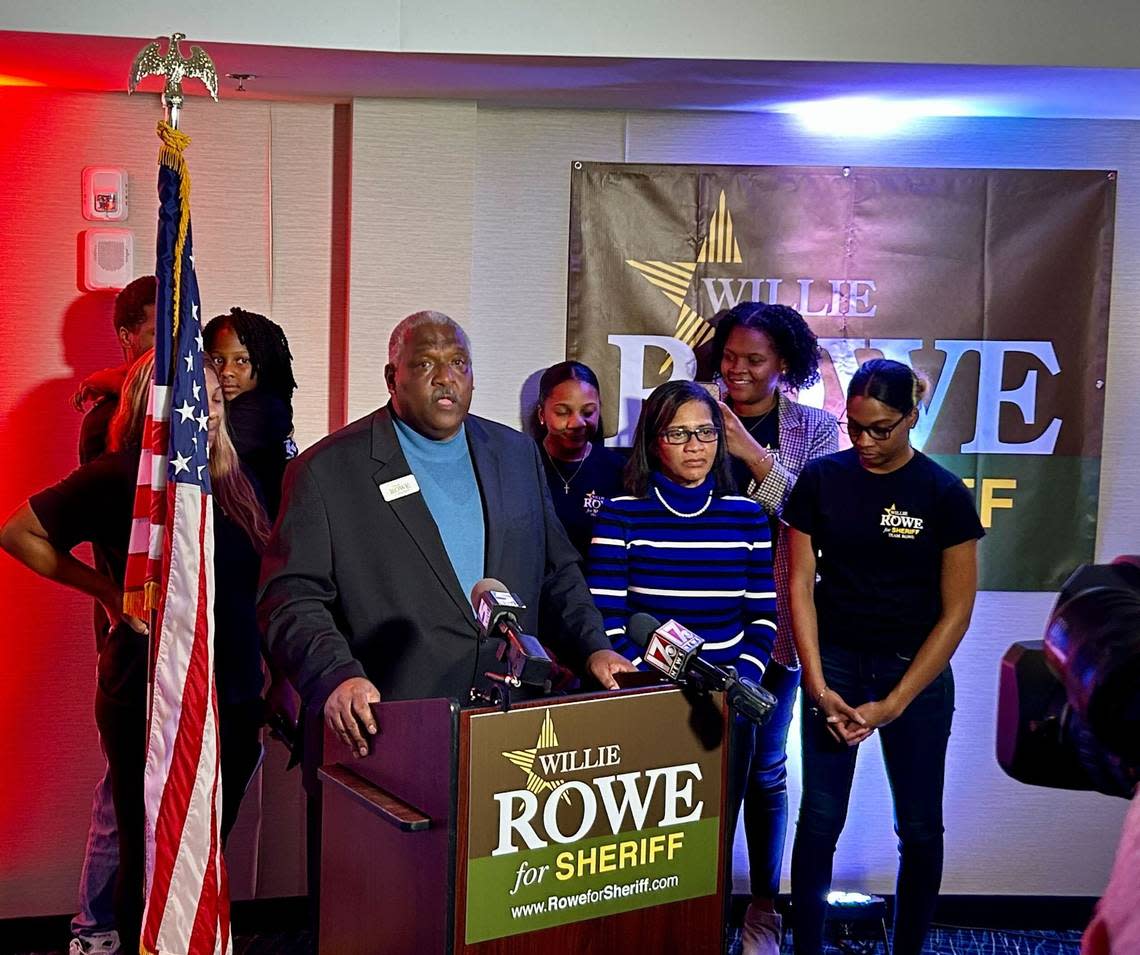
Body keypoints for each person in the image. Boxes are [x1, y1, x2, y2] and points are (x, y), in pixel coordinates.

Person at [0, 352, 271, 953]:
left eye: (217, 393)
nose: (213, 400)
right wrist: (105, 590)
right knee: (149, 854)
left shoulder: (232, 480)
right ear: (157, 400)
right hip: (148, 696)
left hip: (232, 696)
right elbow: (17, 532)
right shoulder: (121, 474)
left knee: (203, 851)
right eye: (196, 392)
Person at [782, 358, 984, 955]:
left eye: (882, 429)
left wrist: (895, 703)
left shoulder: (943, 493)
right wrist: (818, 687)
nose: (866, 442)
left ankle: (910, 950)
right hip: (835, 666)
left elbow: (956, 614)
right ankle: (807, 948)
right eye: (856, 427)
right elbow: (799, 586)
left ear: (913, 417)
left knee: (920, 828)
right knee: (819, 820)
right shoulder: (821, 480)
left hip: (912, 674)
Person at [586, 379, 776, 922]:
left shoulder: (746, 516)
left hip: (726, 705)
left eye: (706, 433)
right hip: (649, 701)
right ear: (653, 440)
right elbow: (608, 619)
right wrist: (654, 678)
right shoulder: (622, 514)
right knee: (644, 845)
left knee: (712, 839)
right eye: (679, 433)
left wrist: (738, 678)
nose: (695, 445)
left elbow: (762, 617)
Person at [710, 301, 838, 954]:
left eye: (754, 360)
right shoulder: (691, 409)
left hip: (777, 625)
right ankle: (694, 904)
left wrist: (747, 448)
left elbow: (809, 511)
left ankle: (763, 905)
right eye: (730, 357)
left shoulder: (814, 428)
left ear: (782, 363)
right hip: (696, 619)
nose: (738, 371)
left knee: (763, 769)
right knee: (696, 773)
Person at [65, 274, 157, 955]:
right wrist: (107, 595)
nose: (169, 352)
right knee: (120, 786)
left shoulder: (190, 420)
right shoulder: (108, 420)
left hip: (177, 631)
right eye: (154, 336)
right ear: (127, 337)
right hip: (128, 634)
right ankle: (92, 924)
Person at [204, 307, 298, 518]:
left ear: (264, 363)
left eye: (242, 361)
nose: (227, 371)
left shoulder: (264, 411)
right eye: (218, 360)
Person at [530, 360, 624, 561]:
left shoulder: (619, 471)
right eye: (563, 412)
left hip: (595, 585)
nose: (577, 423)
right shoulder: (520, 465)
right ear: (542, 414)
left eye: (588, 412)